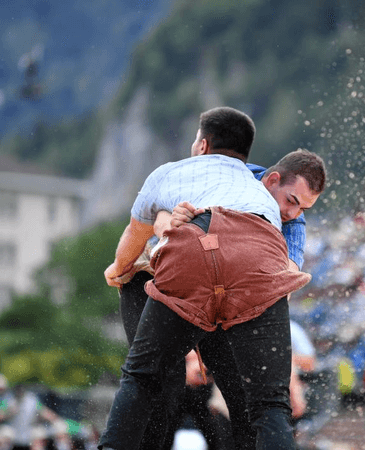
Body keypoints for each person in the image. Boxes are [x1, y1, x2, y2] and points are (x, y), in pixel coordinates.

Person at [99, 106, 326, 450]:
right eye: (292, 201)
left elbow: (139, 230)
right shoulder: (249, 183)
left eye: (302, 209)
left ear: (202, 145)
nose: (292, 213)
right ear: (270, 179)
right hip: (244, 267)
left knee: (144, 380)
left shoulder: (175, 173)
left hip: (194, 265)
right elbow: (281, 277)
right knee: (266, 403)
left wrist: (117, 268)